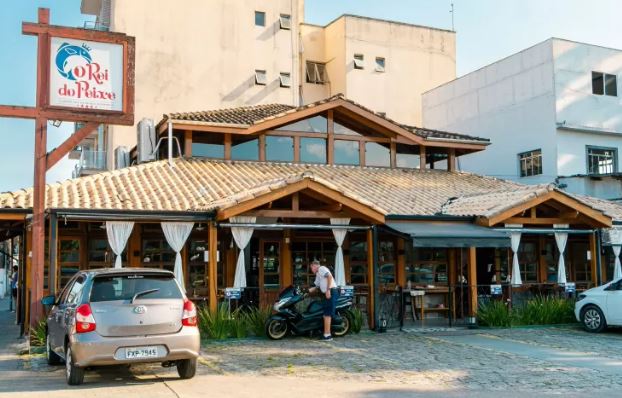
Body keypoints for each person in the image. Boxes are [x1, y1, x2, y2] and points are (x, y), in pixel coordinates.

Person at [308, 260, 338, 341]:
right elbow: (316, 286)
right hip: (327, 293)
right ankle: (326, 333)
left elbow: (329, 277)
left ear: (314, 265)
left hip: (331, 291)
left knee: (327, 314)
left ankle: (328, 336)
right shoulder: (318, 274)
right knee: (325, 314)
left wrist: (328, 290)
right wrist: (307, 291)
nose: (311, 270)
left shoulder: (321, 268)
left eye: (311, 268)